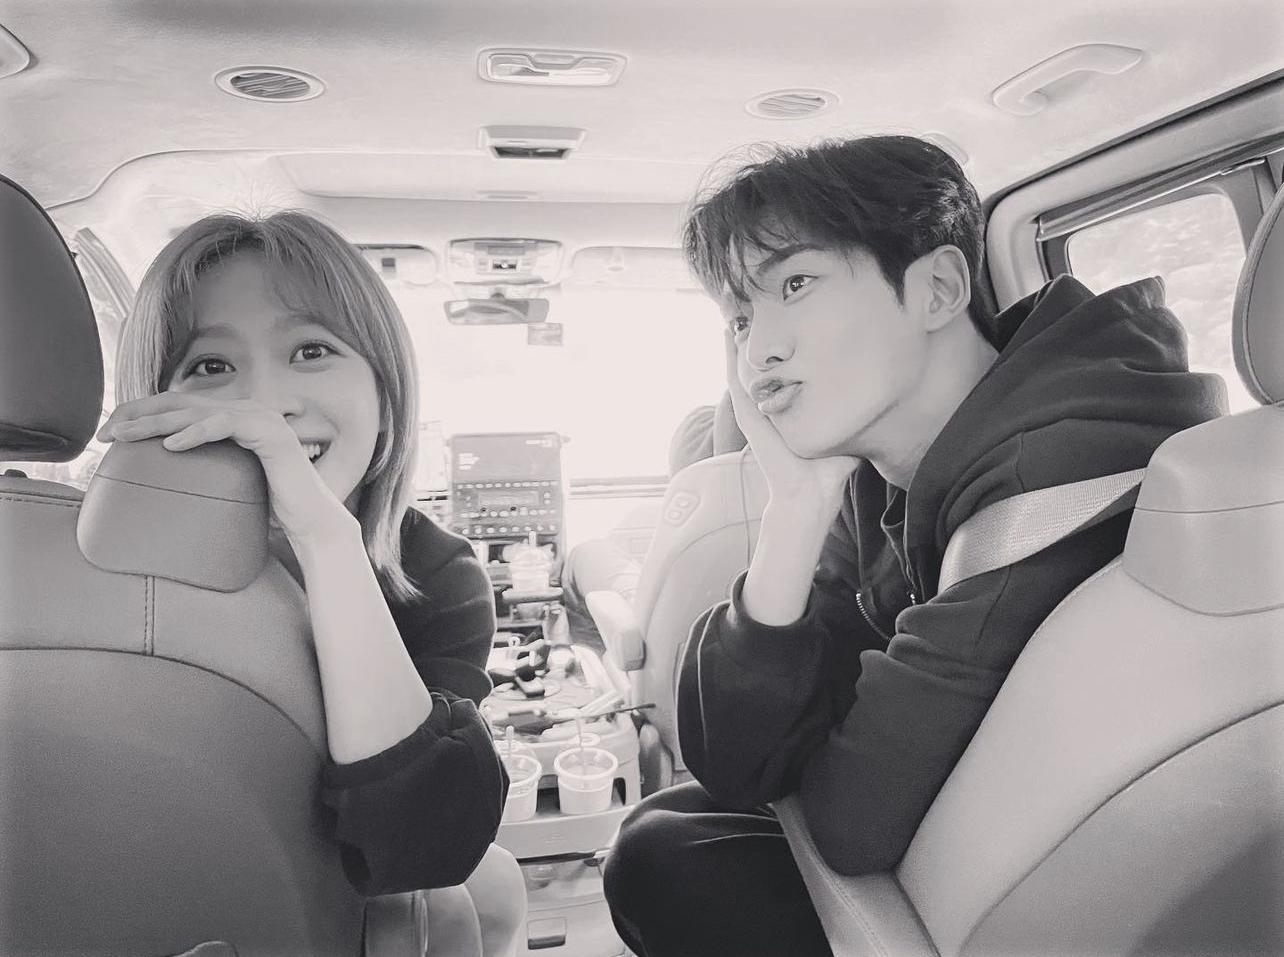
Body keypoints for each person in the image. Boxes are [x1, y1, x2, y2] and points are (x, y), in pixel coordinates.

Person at [602, 135, 1226, 956]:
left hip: (1061, 883)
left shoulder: (1051, 478)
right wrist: (795, 506)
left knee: (664, 857)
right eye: (741, 317)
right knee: (660, 831)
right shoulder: (881, 468)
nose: (758, 352)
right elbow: (737, 762)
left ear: (937, 288)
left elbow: (849, 821)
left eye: (796, 283)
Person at [102, 211, 523, 955]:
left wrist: (326, 540)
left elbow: (427, 847)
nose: (264, 405)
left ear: (386, 402)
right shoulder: (101, 564)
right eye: (210, 366)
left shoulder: (438, 574)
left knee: (484, 890)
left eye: (312, 350)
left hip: (338, 890)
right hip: (143, 889)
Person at [559, 393, 746, 651]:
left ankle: (610, 666)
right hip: (752, 628)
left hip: (679, 634)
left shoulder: (724, 417)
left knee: (585, 554)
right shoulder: (797, 462)